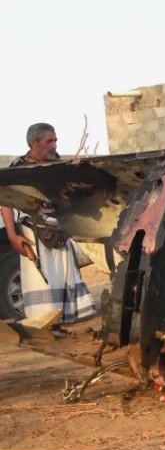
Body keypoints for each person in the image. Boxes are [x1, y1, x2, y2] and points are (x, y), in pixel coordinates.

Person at [0, 123, 96, 332]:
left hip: (58, 230)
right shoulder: (17, 169)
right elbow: (5, 201)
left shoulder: (57, 165)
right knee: (41, 279)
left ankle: (60, 323)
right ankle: (45, 325)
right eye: (49, 141)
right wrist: (12, 234)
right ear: (34, 143)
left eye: (55, 140)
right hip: (32, 232)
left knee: (62, 275)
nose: (54, 145)